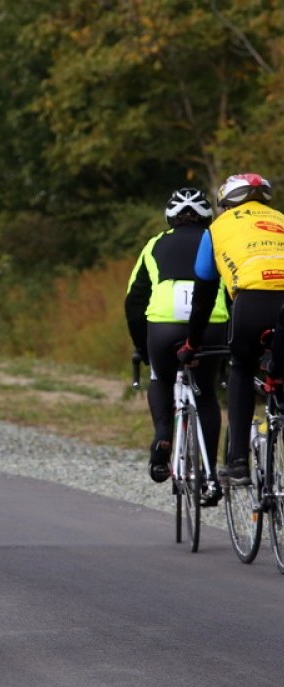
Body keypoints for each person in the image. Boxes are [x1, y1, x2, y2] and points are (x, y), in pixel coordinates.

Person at [178, 173, 284, 486]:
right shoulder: (280, 219)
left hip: (252, 303)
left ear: (226, 202)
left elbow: (204, 297)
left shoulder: (217, 229)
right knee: (278, 373)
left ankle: (238, 463)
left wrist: (192, 343)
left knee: (241, 368)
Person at [125, 188, 229, 505]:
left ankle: (162, 437)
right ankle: (210, 475)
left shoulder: (154, 244)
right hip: (212, 323)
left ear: (170, 217)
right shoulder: (219, 241)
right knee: (206, 393)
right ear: (207, 216)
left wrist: (141, 347)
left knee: (160, 377)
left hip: (163, 324)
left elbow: (133, 301)